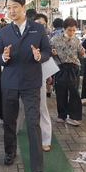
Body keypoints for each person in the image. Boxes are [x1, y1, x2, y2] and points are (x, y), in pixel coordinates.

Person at [0, 0, 51, 172]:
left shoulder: (38, 29)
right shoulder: (3, 32)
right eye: (9, 7)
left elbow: (47, 52)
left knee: (33, 123)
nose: (11, 11)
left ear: (23, 7)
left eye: (15, 7)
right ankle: (10, 151)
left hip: (31, 83)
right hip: (10, 81)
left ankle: (37, 169)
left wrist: (39, 56)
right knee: (10, 121)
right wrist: (3, 57)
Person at [50, 17, 85, 126]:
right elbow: (48, 54)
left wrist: (83, 53)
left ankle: (73, 116)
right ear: (63, 28)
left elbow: (82, 54)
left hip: (74, 68)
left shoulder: (76, 39)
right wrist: (52, 53)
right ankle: (62, 115)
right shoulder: (55, 39)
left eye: (74, 30)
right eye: (69, 30)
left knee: (74, 92)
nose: (72, 32)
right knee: (61, 92)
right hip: (61, 68)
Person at [30, 13, 52, 152]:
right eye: (38, 22)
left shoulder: (45, 38)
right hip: (23, 77)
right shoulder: (25, 35)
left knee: (42, 108)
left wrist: (49, 74)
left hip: (41, 75)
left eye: (43, 24)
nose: (41, 26)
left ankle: (45, 139)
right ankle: (16, 128)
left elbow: (47, 55)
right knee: (19, 107)